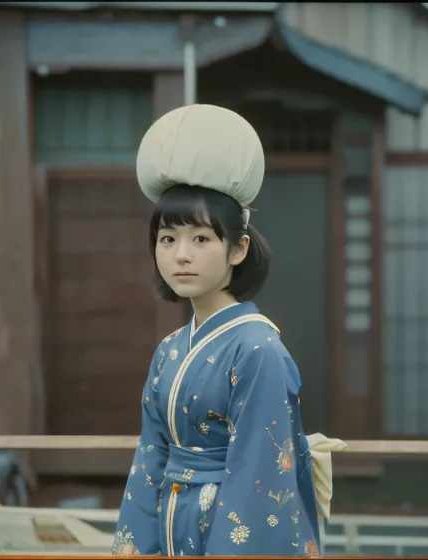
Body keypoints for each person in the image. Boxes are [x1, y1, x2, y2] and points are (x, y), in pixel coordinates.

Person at [112, 104, 345, 557]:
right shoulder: (170, 350)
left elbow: (259, 474)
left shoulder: (257, 348)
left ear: (237, 249)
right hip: (172, 521)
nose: (181, 254)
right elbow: (150, 456)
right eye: (168, 239)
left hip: (226, 529)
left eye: (201, 239)